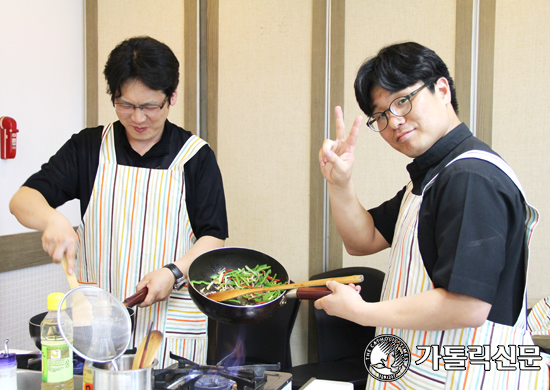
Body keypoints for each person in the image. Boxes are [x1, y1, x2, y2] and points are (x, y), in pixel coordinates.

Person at [315, 42, 550, 388]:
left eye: (402, 101)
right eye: (380, 115)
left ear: (441, 89)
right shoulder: (433, 175)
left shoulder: (469, 177)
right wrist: (340, 183)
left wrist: (361, 312)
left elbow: (467, 306)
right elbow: (361, 240)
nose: (393, 121)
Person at [9, 36, 228, 367]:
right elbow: (22, 200)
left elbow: (214, 238)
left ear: (172, 97)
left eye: (149, 107)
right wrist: (51, 219)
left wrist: (173, 273)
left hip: (169, 325)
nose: (138, 119)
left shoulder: (195, 157)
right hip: (99, 324)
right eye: (125, 105)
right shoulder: (89, 147)